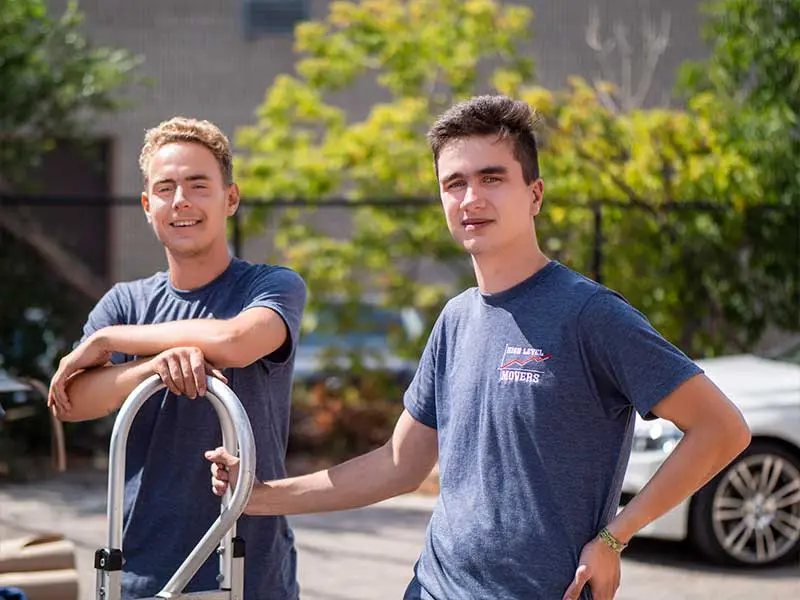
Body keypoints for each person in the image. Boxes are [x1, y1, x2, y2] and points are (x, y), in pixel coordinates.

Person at [206, 96, 751, 600]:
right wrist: (261, 494)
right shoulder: (456, 318)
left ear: (534, 194)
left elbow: (721, 429)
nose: (472, 199)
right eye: (455, 183)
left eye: (492, 178)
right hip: (432, 588)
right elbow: (399, 464)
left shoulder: (590, 314)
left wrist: (615, 537)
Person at [48, 117, 307, 599]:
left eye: (198, 185)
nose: (181, 200)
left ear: (230, 198)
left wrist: (108, 342)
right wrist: (152, 366)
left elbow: (234, 340)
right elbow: (72, 401)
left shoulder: (271, 285)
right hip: (142, 568)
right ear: (148, 206)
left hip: (249, 568)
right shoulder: (125, 303)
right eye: (165, 188)